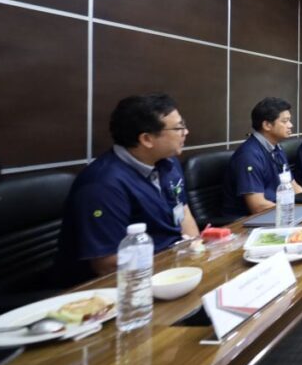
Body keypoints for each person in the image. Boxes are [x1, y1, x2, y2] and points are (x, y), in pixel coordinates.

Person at [54, 94, 199, 282]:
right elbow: (107, 264)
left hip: (174, 267)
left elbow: (183, 211)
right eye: (178, 128)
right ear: (147, 139)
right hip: (121, 284)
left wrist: (196, 254)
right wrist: (176, 266)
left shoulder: (168, 163)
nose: (185, 132)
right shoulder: (102, 185)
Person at [221, 97, 302, 219]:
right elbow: (258, 206)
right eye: (285, 121)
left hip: (278, 212)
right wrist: (293, 212)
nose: (290, 125)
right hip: (247, 221)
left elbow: (293, 185)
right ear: (267, 125)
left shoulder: (277, 148)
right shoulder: (249, 156)